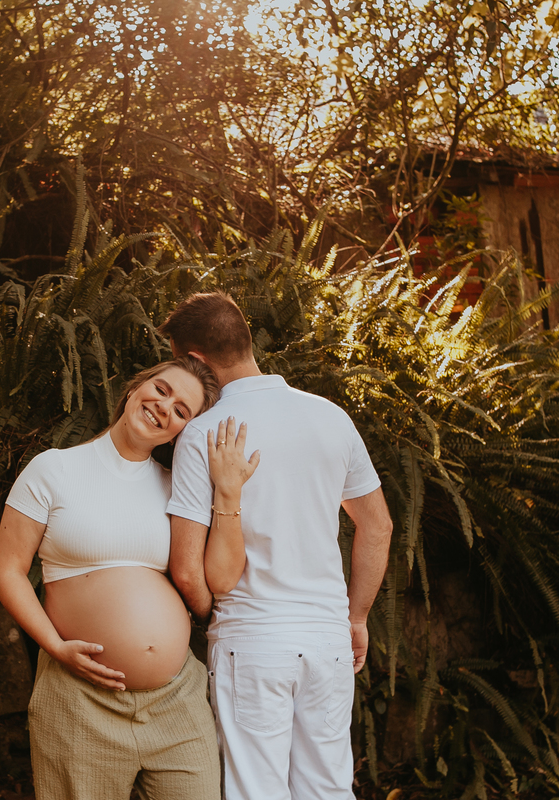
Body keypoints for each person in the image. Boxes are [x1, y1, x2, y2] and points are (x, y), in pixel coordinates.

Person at [0, 356, 258, 800]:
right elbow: (7, 571)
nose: (164, 407)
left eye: (182, 411)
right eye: (162, 389)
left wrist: (228, 492)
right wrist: (54, 647)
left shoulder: (179, 488)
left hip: (176, 700)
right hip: (80, 698)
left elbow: (220, 578)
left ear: (182, 431)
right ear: (135, 388)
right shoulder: (53, 469)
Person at [163, 292, 394, 800]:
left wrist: (212, 617)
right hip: (327, 640)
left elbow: (186, 569)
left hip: (251, 639)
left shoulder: (203, 433)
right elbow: (377, 527)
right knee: (329, 790)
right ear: (245, 340)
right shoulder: (331, 418)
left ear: (195, 359)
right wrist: (355, 617)